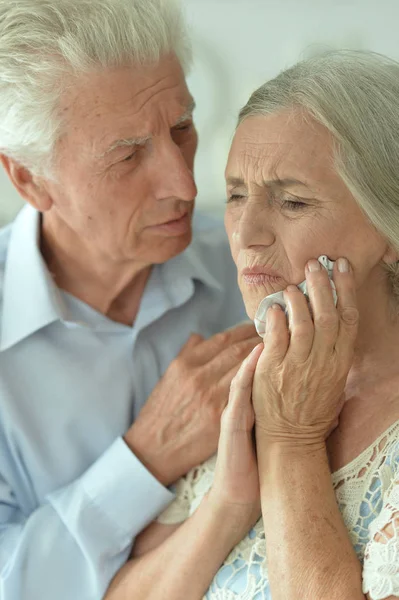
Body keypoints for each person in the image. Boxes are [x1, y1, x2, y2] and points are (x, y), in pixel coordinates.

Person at [106, 50, 399, 600]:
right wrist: (227, 505)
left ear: (389, 230)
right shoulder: (233, 381)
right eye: (237, 195)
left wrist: (291, 442)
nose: (245, 235)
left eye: (291, 201)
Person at [0, 1, 259, 598]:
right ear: (30, 179)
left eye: (182, 129)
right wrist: (143, 460)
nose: (187, 185)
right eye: (127, 155)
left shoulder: (256, 262)